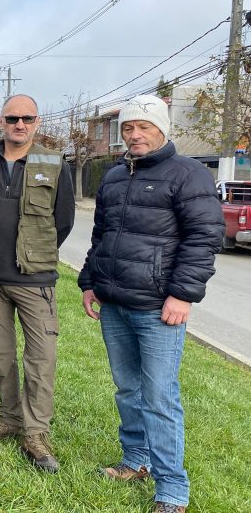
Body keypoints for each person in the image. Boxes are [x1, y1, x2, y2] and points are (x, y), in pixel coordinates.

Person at [78, 94, 223, 513]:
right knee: (128, 389)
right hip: (115, 302)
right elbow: (101, 235)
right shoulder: (115, 176)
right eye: (128, 128)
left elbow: (204, 238)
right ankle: (136, 460)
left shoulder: (189, 174)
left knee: (159, 395)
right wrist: (90, 282)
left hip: (159, 307)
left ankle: (172, 489)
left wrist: (182, 294)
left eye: (144, 126)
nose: (135, 134)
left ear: (162, 129)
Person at [0, 94, 75, 473]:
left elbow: (62, 221)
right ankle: (10, 417)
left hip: (35, 280)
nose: (20, 124)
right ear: (1, 121)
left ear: (37, 121)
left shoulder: (54, 162)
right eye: (12, 118)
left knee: (41, 359)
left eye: (27, 118)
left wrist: (34, 254)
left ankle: (35, 433)